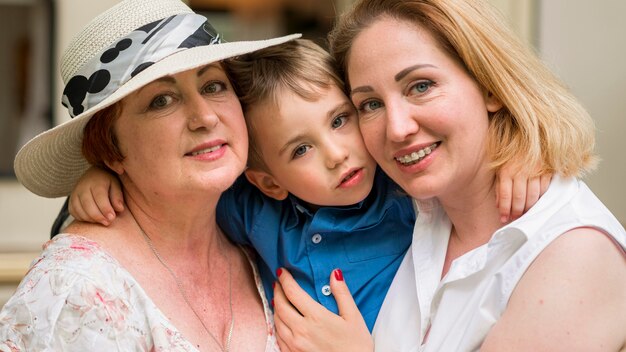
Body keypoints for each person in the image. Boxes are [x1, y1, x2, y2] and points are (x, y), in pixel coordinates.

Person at [63, 36, 547, 337]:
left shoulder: (409, 197)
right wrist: (102, 176)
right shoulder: (254, 211)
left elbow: (461, 159)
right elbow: (171, 188)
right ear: (269, 181)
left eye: (341, 120)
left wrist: (520, 154)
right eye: (300, 149)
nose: (338, 153)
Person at [270, 0, 626, 351]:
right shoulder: (412, 208)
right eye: (371, 104)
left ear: (490, 84)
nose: (397, 128)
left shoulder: (575, 255)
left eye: (421, 86)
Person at [0, 0, 299, 350]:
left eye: (214, 86)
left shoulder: (262, 243)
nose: (205, 117)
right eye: (162, 100)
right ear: (110, 150)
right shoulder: (76, 289)